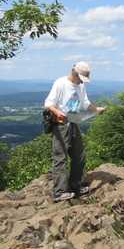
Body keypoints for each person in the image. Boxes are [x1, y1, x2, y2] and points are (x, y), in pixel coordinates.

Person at [44, 62, 105, 201]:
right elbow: (48, 104)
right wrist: (57, 112)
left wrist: (96, 110)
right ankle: (59, 192)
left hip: (74, 121)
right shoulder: (60, 83)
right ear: (74, 73)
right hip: (60, 125)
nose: (82, 81)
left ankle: (75, 185)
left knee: (79, 155)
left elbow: (85, 103)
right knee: (61, 156)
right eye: (81, 78)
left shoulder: (80, 85)